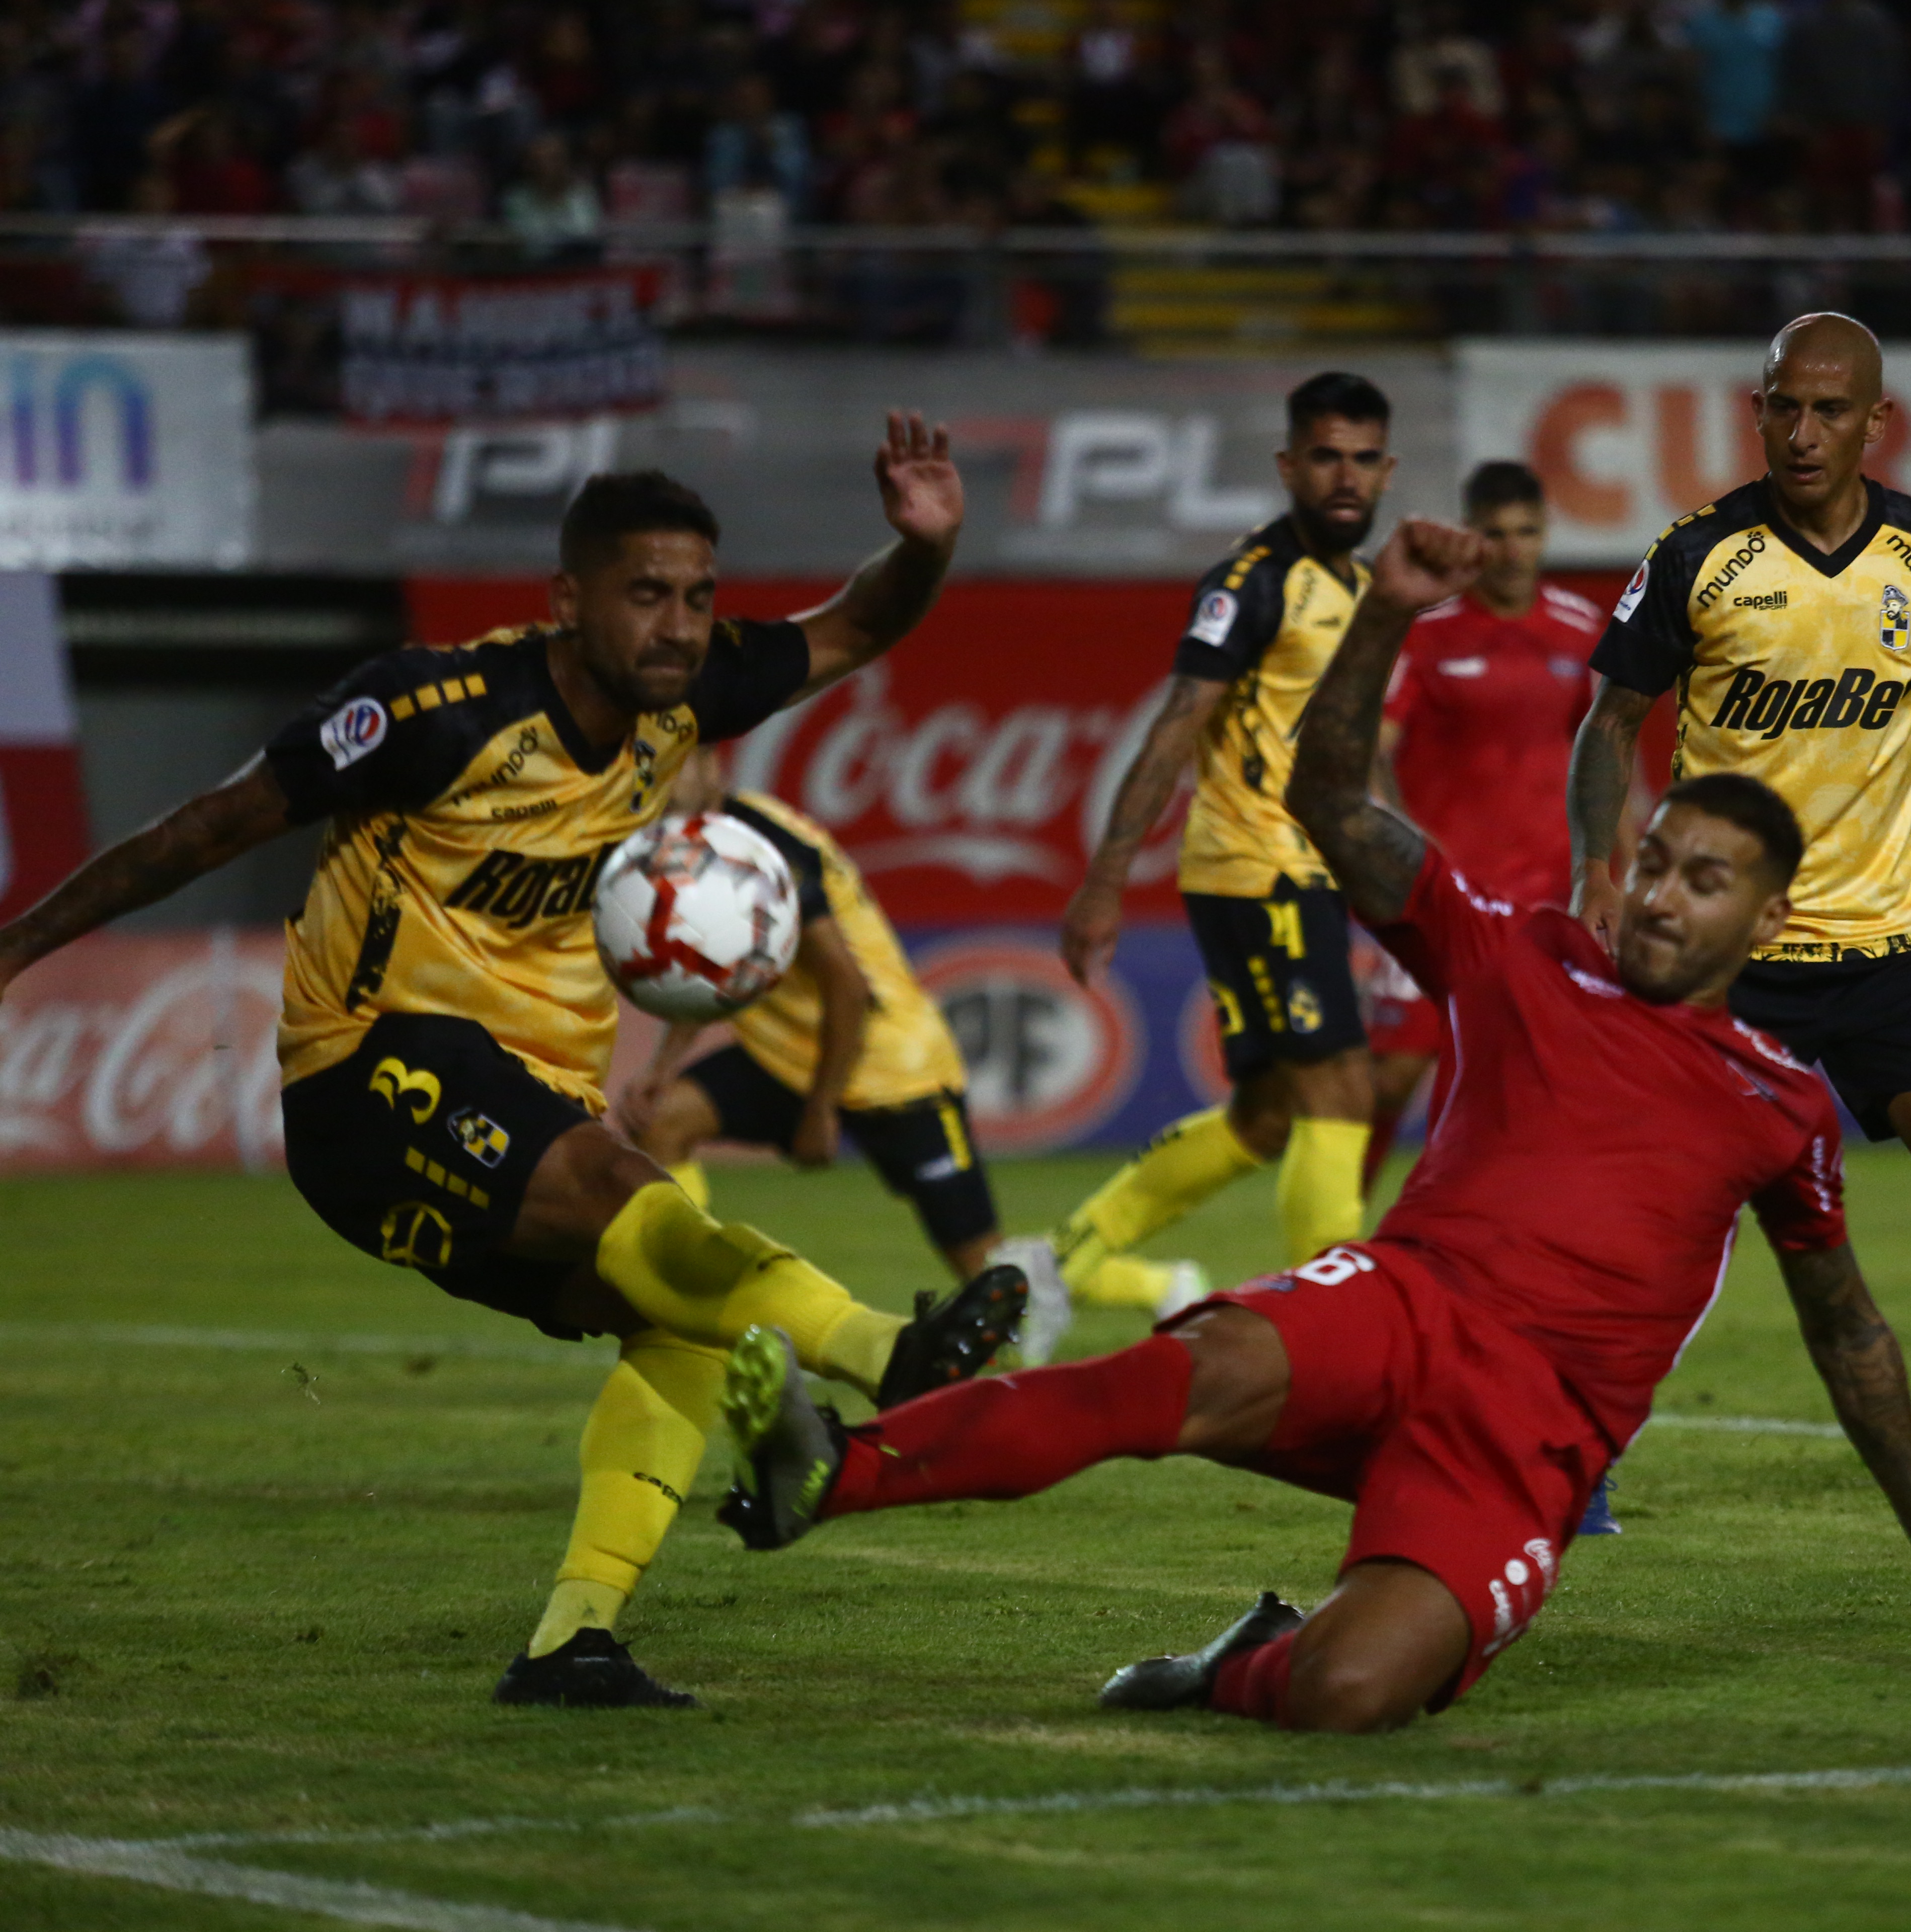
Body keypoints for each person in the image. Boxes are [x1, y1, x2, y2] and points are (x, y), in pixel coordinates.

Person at [715, 515, 1911, 1733]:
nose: (1662, 896)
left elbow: (1848, 1330)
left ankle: (1243, 1665)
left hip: (1532, 1435)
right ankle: (832, 1473)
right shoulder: (1522, 951)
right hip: (1403, 1306)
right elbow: (1328, 804)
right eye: (1655, 859)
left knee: (1350, 1692)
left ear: (1766, 921)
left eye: (1704, 880)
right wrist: (1382, 617)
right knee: (1171, 1381)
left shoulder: (1783, 1109)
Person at [0, 428, 1026, 1708]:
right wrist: (20, 945)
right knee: (631, 1194)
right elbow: (217, 820)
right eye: (646, 592)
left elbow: (856, 626)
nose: (678, 624)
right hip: (369, 1071)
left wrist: (924, 545)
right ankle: (891, 1353)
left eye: (698, 595)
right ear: (566, 600)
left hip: (524, 1096)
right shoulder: (436, 711)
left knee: (676, 1314)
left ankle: (572, 1638)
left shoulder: (692, 692)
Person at [1566, 313, 1911, 1544]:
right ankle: (1574, 1445)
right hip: (1731, 953)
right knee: (1661, 1202)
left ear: (1876, 421)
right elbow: (1610, 718)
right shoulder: (1697, 555)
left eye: (1828, 409)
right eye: (1782, 406)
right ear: (1755, 411)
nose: (1802, 430)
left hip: (1885, 933)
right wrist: (1593, 873)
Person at [1006, 373, 1393, 1321]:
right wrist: (1102, 882)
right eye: (1327, 457)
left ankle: (1062, 1263)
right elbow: (1176, 726)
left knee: (1265, 1117)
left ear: (1387, 471)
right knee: (1343, 1085)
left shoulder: (1363, 585)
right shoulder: (1250, 582)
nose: (1346, 477)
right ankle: (1333, 1330)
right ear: (1289, 466)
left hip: (1310, 872)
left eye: (1365, 459)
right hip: (1258, 868)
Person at [615, 748, 1051, 1349]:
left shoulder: (768, 852)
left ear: (714, 767)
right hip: (787, 1054)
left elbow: (846, 986)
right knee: (662, 1121)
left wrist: (820, 1110)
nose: (658, 779)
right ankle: (693, 1299)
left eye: (675, 762)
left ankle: (1109, 1301)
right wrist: (661, 1068)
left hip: (891, 1065)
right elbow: (706, 965)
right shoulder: (689, 845)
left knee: (978, 1259)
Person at [1363, 459, 1604, 1185]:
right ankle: (1331, 1239)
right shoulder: (1426, 633)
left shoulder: (1580, 627)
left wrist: (1617, 866)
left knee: (1540, 1088)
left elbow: (1607, 759)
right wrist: (1408, 848)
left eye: (1525, 532)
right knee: (1392, 1079)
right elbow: (1374, 756)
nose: (1511, 549)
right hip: (1442, 901)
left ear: (1544, 533)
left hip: (1543, 906)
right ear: (1471, 537)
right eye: (1494, 534)